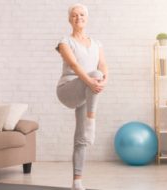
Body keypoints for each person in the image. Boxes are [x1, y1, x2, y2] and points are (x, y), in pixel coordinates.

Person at [55, 3, 108, 190]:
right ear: (70, 19)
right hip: (68, 88)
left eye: (82, 15)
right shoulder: (64, 42)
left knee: (81, 137)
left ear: (87, 18)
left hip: (88, 91)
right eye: (75, 15)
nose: (79, 18)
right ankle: (92, 121)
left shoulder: (97, 43)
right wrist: (93, 80)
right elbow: (75, 66)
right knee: (94, 75)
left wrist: (103, 80)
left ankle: (77, 181)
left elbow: (102, 65)